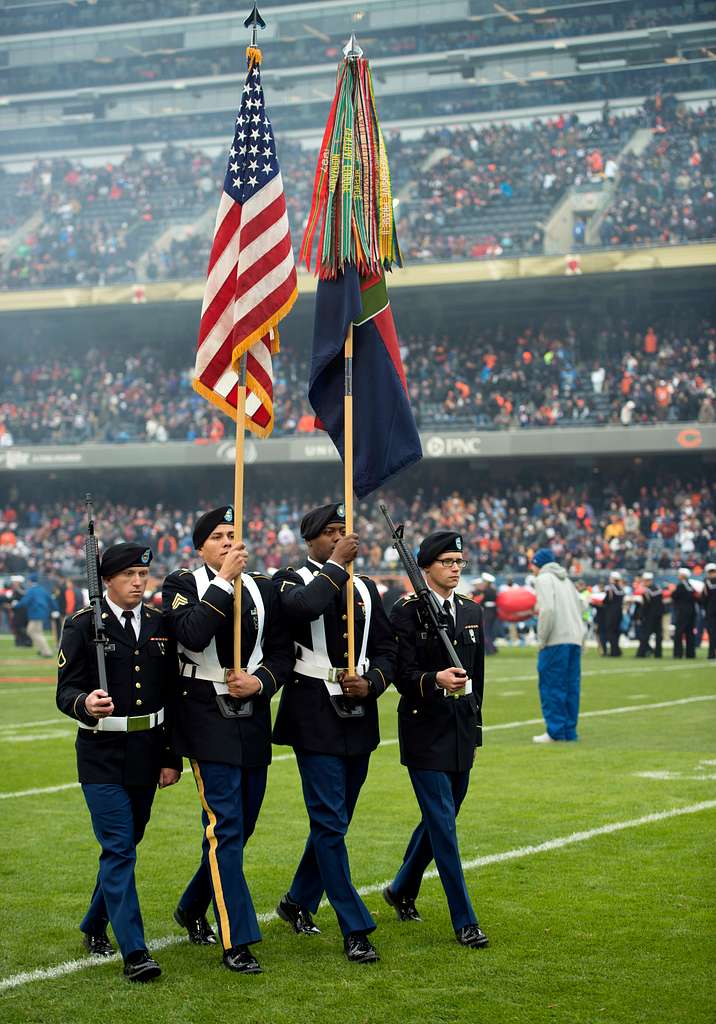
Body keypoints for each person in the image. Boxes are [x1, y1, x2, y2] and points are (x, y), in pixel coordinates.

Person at [162, 506, 294, 975]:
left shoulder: (261, 586)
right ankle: (236, 938)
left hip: (250, 711)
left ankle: (191, 906)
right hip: (203, 713)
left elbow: (282, 652)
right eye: (217, 536)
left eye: (233, 534)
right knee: (226, 827)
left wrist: (261, 682)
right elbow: (192, 633)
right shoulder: (181, 585)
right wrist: (222, 581)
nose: (226, 542)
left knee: (242, 826)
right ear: (201, 547)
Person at [272, 502, 397, 964]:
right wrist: (333, 566)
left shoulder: (365, 587)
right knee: (328, 820)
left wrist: (374, 683)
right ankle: (355, 925)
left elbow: (387, 648)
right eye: (329, 532)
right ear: (311, 539)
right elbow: (302, 609)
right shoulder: (289, 579)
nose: (340, 537)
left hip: (358, 708)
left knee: (336, 820)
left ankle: (296, 900)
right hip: (312, 710)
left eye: (345, 531)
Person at [56, 543, 181, 983]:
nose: (137, 582)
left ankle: (94, 923)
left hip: (147, 753)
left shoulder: (160, 623)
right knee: (119, 847)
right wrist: (84, 702)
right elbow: (64, 691)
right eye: (128, 575)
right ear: (106, 579)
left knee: (128, 844)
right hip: (101, 755)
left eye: (142, 575)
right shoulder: (83, 625)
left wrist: (171, 757)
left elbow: (169, 696)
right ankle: (135, 951)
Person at [384, 529, 488, 949]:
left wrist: (477, 726)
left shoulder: (471, 611)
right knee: (443, 825)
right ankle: (464, 919)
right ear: (425, 566)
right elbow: (402, 675)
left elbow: (478, 676)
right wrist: (435, 680)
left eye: (459, 562)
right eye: (447, 562)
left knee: (441, 818)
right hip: (424, 729)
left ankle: (401, 888)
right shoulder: (407, 611)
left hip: (461, 731)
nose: (456, 568)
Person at [530, 548, 585, 744]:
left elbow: (548, 610)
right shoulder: (567, 581)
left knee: (552, 686)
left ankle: (555, 732)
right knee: (571, 687)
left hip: (555, 641)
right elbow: (582, 607)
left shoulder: (544, 580)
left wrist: (542, 639)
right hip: (574, 639)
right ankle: (569, 731)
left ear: (537, 563)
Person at [15, 572, 58, 657]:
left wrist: (15, 605)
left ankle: (47, 651)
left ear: (30, 581)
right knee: (37, 632)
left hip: (35, 614)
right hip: (43, 613)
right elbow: (51, 599)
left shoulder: (31, 590)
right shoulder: (42, 589)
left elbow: (24, 601)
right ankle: (41, 650)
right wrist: (55, 609)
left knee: (32, 632)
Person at [635, 572, 663, 658]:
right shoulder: (658, 589)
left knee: (645, 635)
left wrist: (640, 616)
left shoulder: (646, 591)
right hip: (658, 615)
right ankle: (658, 653)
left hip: (649, 616)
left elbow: (645, 605)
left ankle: (641, 653)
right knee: (658, 636)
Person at [671, 567, 696, 659]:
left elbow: (674, 596)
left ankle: (678, 653)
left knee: (678, 633)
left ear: (683, 576)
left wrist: (672, 590)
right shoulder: (691, 586)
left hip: (682, 612)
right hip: (691, 612)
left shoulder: (681, 585)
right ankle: (690, 654)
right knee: (690, 634)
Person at [602, 571, 624, 657]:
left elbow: (606, 600)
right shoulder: (621, 588)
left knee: (610, 632)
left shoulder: (610, 588)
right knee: (616, 632)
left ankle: (614, 651)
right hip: (619, 612)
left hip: (611, 613)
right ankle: (617, 650)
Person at [480, 572, 498, 654]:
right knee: (490, 630)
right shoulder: (494, 590)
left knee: (486, 631)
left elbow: (482, 601)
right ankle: (493, 648)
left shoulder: (486, 590)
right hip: (493, 611)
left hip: (487, 612)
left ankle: (489, 649)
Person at [702, 563, 716, 660]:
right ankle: (711, 654)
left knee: (712, 633)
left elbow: (704, 598)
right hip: (710, 611)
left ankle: (711, 654)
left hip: (711, 611)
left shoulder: (707, 583)